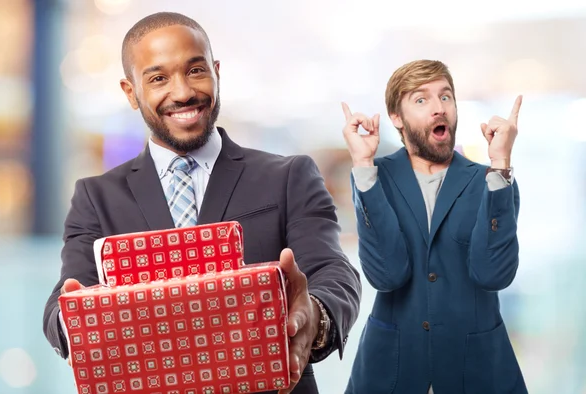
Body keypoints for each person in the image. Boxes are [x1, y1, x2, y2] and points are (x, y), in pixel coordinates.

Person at [42, 12, 361, 394]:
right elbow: (62, 303)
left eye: (195, 70)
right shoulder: (96, 197)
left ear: (217, 71)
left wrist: (316, 318)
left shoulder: (288, 176)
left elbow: (334, 273)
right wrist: (76, 321)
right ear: (131, 92)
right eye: (158, 78)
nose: (182, 93)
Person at [341, 59, 528, 394]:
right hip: (391, 371)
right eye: (421, 99)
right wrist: (363, 165)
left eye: (445, 97)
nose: (439, 108)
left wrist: (500, 164)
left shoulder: (491, 180)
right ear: (396, 117)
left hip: (479, 371)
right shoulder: (373, 178)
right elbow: (387, 276)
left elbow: (493, 275)